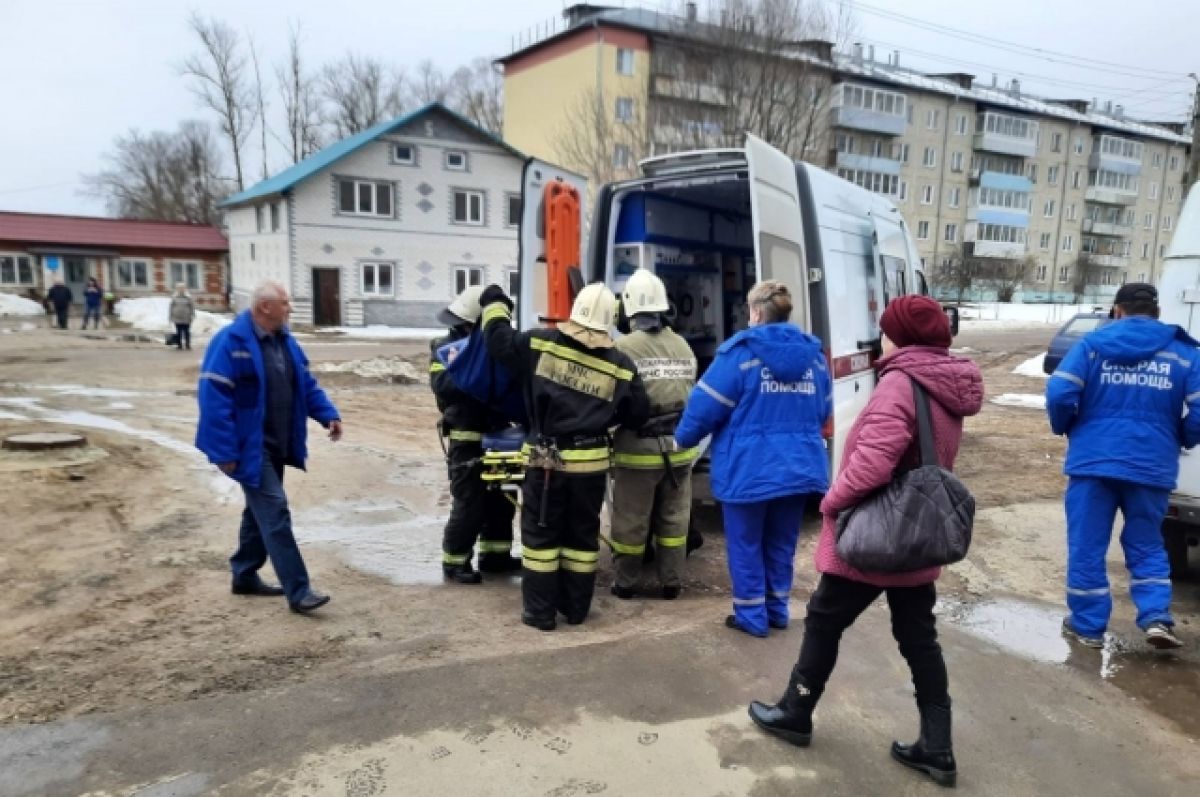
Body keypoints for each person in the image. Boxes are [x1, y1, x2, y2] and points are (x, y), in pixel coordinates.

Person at [747, 295, 982, 789]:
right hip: (920, 533)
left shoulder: (900, 382)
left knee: (824, 620)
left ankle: (796, 710)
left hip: (877, 535)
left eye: (886, 329)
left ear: (899, 336)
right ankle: (937, 747)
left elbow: (874, 463)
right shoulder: (946, 381)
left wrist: (832, 502)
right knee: (919, 638)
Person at [480, 282, 648, 631]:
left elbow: (497, 339)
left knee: (541, 538)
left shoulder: (538, 343)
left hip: (545, 461)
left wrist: (495, 302)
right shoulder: (621, 365)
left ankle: (540, 614)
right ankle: (575, 609)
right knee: (582, 538)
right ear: (609, 321)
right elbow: (638, 413)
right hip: (591, 465)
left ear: (575, 313)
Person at [1046, 282, 1200, 651]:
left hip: (1093, 462)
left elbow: (1059, 393)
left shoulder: (1092, 345)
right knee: (1147, 542)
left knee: (1087, 544)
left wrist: (1069, 426)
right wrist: (1179, 436)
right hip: (1151, 464)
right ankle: (1156, 618)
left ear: (1117, 310)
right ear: (1156, 311)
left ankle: (1088, 626)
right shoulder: (1184, 352)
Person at [674, 280, 831, 638]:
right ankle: (777, 611)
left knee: (746, 545)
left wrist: (682, 439)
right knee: (781, 542)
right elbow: (823, 411)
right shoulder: (814, 358)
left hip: (747, 470)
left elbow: (704, 408)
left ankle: (751, 618)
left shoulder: (739, 354)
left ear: (756, 312)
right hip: (797, 467)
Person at [195, 281, 343, 615]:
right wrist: (224, 452)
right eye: (285, 303)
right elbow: (213, 400)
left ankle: (244, 574)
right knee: (275, 512)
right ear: (265, 307)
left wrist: (327, 415)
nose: (290, 308)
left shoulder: (285, 341)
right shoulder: (230, 342)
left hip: (277, 442)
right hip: (249, 447)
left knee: (258, 512)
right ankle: (299, 591)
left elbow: (305, 384)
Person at [610, 269, 699, 600]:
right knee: (675, 519)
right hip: (680, 446)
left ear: (629, 309)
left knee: (631, 521)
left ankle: (626, 583)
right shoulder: (683, 345)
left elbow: (612, 399)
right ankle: (672, 581)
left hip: (638, 451)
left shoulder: (622, 347)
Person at [430, 285, 520, 584]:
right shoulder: (445, 348)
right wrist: (476, 367)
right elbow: (443, 387)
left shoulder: (496, 345)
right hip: (466, 435)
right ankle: (455, 562)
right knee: (469, 502)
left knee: (501, 498)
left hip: (498, 434)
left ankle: (496, 557)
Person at [170, 283, 196, 350]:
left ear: (184, 289)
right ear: (177, 289)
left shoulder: (188, 297)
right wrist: (171, 316)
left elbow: (192, 306)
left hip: (186, 317)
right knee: (178, 332)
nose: (181, 289)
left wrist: (193, 314)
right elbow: (171, 307)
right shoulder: (174, 297)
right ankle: (179, 345)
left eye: (182, 288)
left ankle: (187, 344)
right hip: (177, 317)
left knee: (186, 332)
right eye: (179, 288)